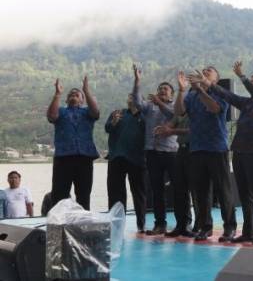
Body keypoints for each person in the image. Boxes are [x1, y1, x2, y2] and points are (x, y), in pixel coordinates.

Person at [210, 61, 253, 245]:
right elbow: (228, 95)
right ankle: (249, 232)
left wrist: (242, 76)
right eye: (251, 81)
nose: (252, 84)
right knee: (244, 193)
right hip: (239, 150)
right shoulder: (246, 103)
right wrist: (210, 85)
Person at [174, 67, 237, 242]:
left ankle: (229, 227)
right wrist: (181, 90)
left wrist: (201, 88)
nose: (205, 71)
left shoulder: (220, 92)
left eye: (209, 71)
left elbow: (214, 108)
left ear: (215, 79)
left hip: (217, 148)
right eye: (204, 70)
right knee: (201, 192)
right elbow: (179, 112)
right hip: (197, 148)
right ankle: (205, 227)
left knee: (223, 190)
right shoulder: (192, 95)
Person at [132, 64, 178, 235]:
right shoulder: (150, 106)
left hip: (171, 153)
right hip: (152, 152)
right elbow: (137, 102)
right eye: (160, 89)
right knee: (157, 190)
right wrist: (137, 81)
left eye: (165, 89)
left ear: (172, 94)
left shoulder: (176, 105)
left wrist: (159, 103)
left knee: (179, 188)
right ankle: (160, 224)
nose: (162, 91)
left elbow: (173, 117)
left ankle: (183, 224)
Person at [47, 77, 100, 210]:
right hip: (63, 158)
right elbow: (51, 116)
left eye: (77, 94)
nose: (73, 95)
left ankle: (82, 221)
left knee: (83, 195)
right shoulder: (61, 111)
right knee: (59, 195)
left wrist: (86, 90)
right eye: (70, 94)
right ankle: (59, 221)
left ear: (82, 100)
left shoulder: (87, 112)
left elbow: (96, 112)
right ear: (66, 100)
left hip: (84, 157)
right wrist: (57, 94)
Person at [155, 112, 207, 238]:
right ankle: (181, 225)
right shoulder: (181, 112)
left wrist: (171, 131)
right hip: (181, 150)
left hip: (194, 150)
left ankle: (199, 226)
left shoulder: (198, 111)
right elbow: (172, 123)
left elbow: (193, 130)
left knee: (195, 190)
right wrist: (164, 129)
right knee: (179, 189)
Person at [105, 94, 147, 233]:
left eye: (135, 96)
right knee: (115, 193)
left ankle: (141, 224)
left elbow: (148, 131)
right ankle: (116, 224)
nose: (131, 98)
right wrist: (114, 122)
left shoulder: (145, 115)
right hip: (116, 157)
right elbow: (107, 128)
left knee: (139, 192)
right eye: (130, 96)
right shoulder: (118, 113)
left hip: (137, 158)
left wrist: (139, 114)